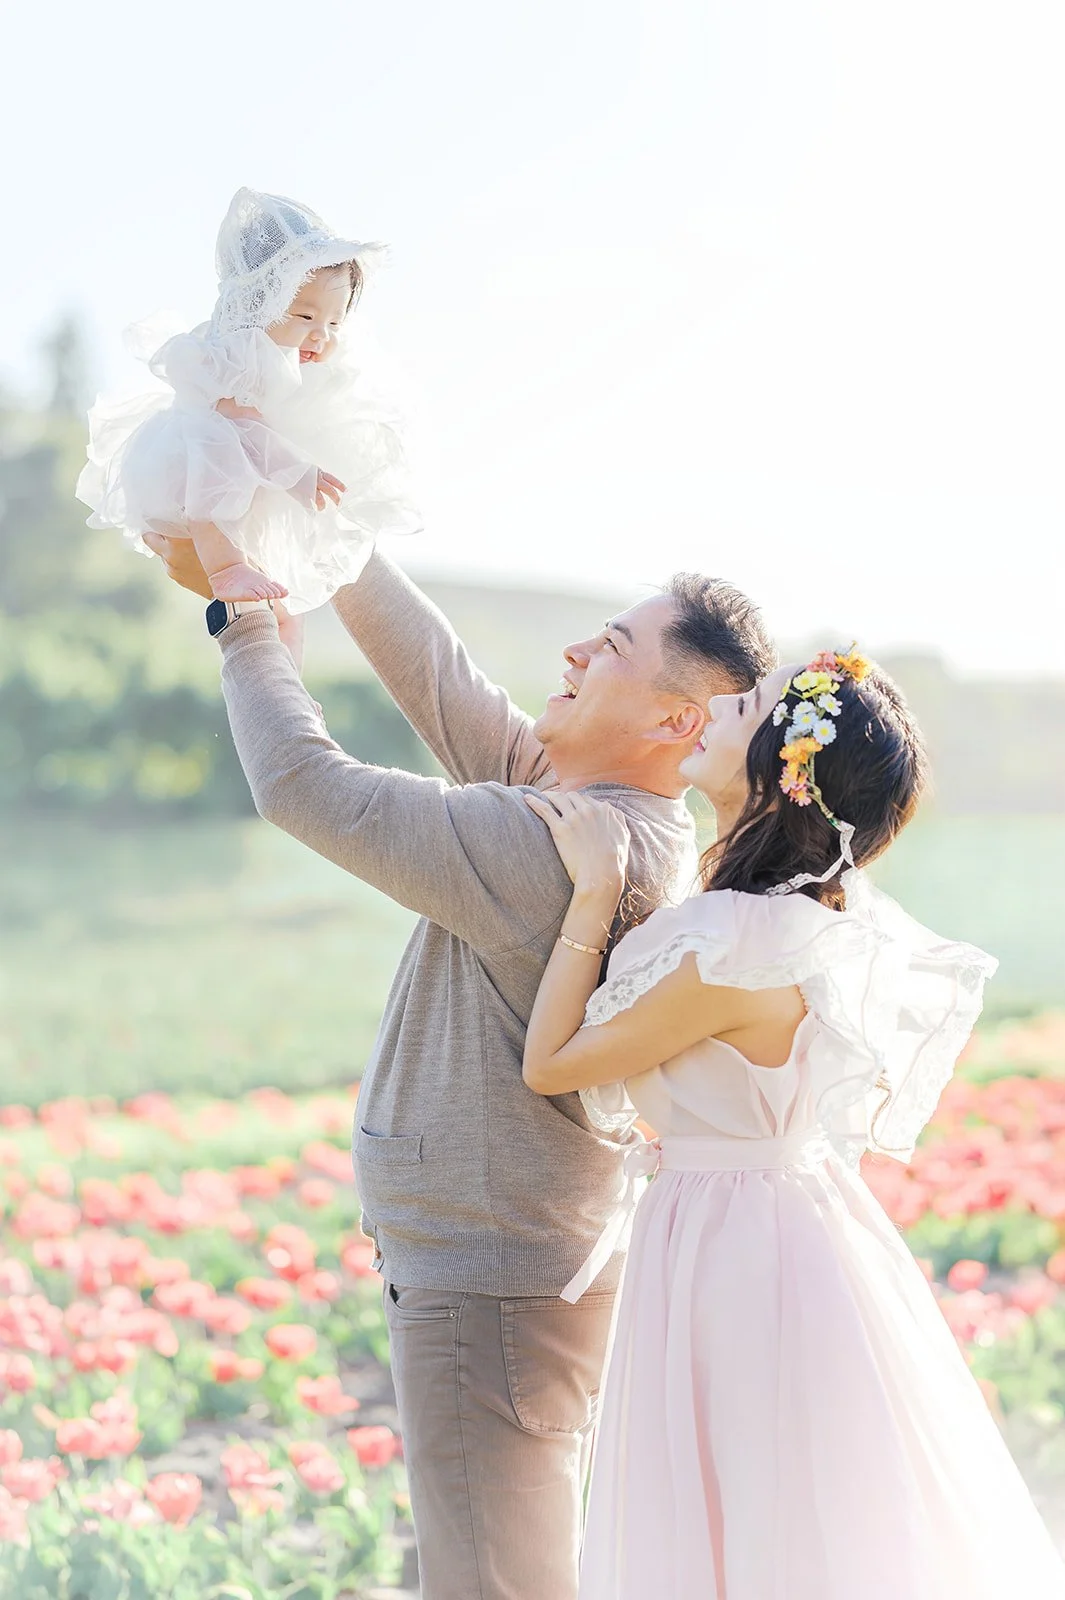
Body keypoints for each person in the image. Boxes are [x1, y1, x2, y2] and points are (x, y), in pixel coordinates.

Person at [143, 528, 775, 1600]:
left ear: (677, 720)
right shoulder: (608, 820)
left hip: (490, 1281)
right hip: (512, 1265)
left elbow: (304, 784)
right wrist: (320, 517)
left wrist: (245, 620)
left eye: (613, 647)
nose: (575, 652)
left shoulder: (551, 843)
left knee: (492, 1584)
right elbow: (441, 682)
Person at [522, 648, 1065, 1599]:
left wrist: (595, 897)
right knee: (803, 1498)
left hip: (733, 1241)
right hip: (794, 1220)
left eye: (751, 704)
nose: (724, 704)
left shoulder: (732, 937)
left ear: (788, 768)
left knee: (752, 1494)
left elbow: (552, 1067)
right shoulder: (803, 917)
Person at [77, 187, 419, 610]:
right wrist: (298, 473)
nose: (321, 335)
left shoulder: (294, 363)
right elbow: (244, 430)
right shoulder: (240, 359)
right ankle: (224, 568)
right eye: (305, 317)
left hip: (248, 476)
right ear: (261, 305)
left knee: (282, 602)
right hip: (201, 464)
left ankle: (276, 632)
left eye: (334, 321)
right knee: (219, 475)